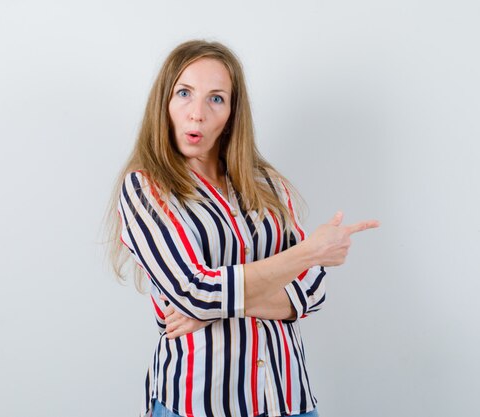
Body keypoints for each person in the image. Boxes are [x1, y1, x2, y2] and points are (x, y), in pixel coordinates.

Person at [107, 40, 379, 417]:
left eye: (216, 98)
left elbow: (312, 290)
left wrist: (212, 307)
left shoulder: (266, 183)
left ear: (233, 112)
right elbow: (194, 292)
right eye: (184, 93)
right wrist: (309, 252)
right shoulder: (146, 188)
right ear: (164, 104)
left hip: (287, 398)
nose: (197, 113)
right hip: (200, 403)